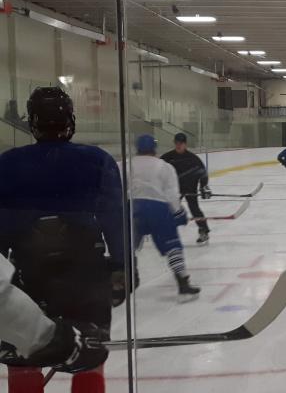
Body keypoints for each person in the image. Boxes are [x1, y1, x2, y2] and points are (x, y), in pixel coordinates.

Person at [0, 86, 124, 392]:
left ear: (32, 122)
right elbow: (114, 216)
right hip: (84, 272)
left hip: (26, 272)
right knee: (90, 356)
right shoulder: (96, 159)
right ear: (70, 118)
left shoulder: (6, 163)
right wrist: (123, 264)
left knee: (23, 357)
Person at [131, 134, 201, 302]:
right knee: (172, 246)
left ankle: (120, 284)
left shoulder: (126, 165)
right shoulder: (164, 167)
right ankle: (183, 286)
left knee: (126, 246)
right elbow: (171, 195)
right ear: (154, 148)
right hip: (157, 209)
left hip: (132, 208)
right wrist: (179, 213)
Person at [161, 133, 211, 245]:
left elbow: (203, 173)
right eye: (177, 143)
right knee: (169, 210)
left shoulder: (193, 159)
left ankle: (204, 231)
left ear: (185, 144)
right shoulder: (167, 158)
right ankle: (164, 232)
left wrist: (204, 187)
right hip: (174, 189)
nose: (179, 145)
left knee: (194, 209)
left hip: (190, 188)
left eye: (181, 143)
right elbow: (157, 170)